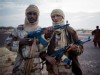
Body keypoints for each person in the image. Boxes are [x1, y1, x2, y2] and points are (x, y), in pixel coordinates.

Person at [39, 9, 84, 75]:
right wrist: (47, 57)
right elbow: (41, 50)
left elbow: (80, 49)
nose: (55, 18)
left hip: (69, 69)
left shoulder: (71, 31)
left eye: (58, 15)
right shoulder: (49, 32)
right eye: (53, 16)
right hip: (52, 70)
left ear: (63, 17)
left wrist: (76, 49)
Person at [5, 4, 43, 75]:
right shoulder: (19, 29)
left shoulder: (41, 30)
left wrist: (37, 42)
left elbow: (44, 49)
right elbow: (7, 43)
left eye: (34, 14)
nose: (32, 16)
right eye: (29, 13)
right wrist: (19, 42)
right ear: (26, 15)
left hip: (35, 67)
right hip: (20, 65)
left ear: (37, 16)